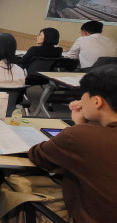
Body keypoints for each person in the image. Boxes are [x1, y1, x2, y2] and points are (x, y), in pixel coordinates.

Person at [28, 65, 117, 222]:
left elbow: (38, 156)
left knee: (15, 184)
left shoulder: (79, 136)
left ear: (97, 101)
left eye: (83, 94)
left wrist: (81, 128)